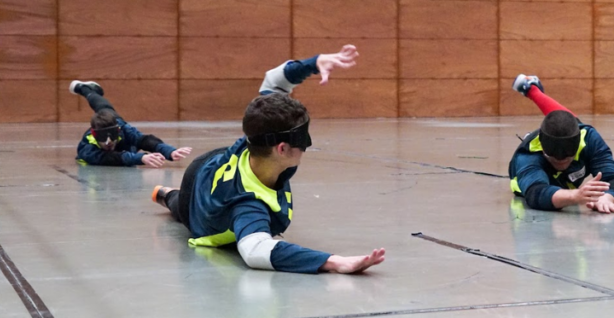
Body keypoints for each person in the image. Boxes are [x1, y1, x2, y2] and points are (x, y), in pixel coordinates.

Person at [151, 45, 385, 274]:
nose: (306, 145)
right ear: (282, 149)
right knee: (180, 207)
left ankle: (168, 193)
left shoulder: (260, 135)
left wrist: (314, 63)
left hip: (215, 163)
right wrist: (335, 262)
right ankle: (166, 195)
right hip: (197, 199)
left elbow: (274, 81)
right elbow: (256, 251)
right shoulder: (247, 205)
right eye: (302, 138)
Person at [508, 74, 614, 214]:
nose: (561, 163)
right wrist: (575, 196)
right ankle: (531, 89)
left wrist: (608, 198)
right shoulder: (528, 155)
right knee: (563, 124)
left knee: (566, 122)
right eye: (554, 159)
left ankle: (532, 89)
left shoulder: (588, 138)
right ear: (544, 149)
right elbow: (536, 193)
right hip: (538, 177)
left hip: (570, 139)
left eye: (567, 158)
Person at [71, 81, 192, 168]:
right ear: (94, 134)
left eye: (112, 136)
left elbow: (144, 140)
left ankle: (84, 88)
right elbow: (111, 158)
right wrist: (140, 158)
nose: (108, 142)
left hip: (120, 132)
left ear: (117, 130)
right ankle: (86, 89)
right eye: (103, 138)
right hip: (126, 152)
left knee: (103, 107)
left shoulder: (122, 127)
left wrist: (170, 151)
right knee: (103, 108)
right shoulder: (86, 148)